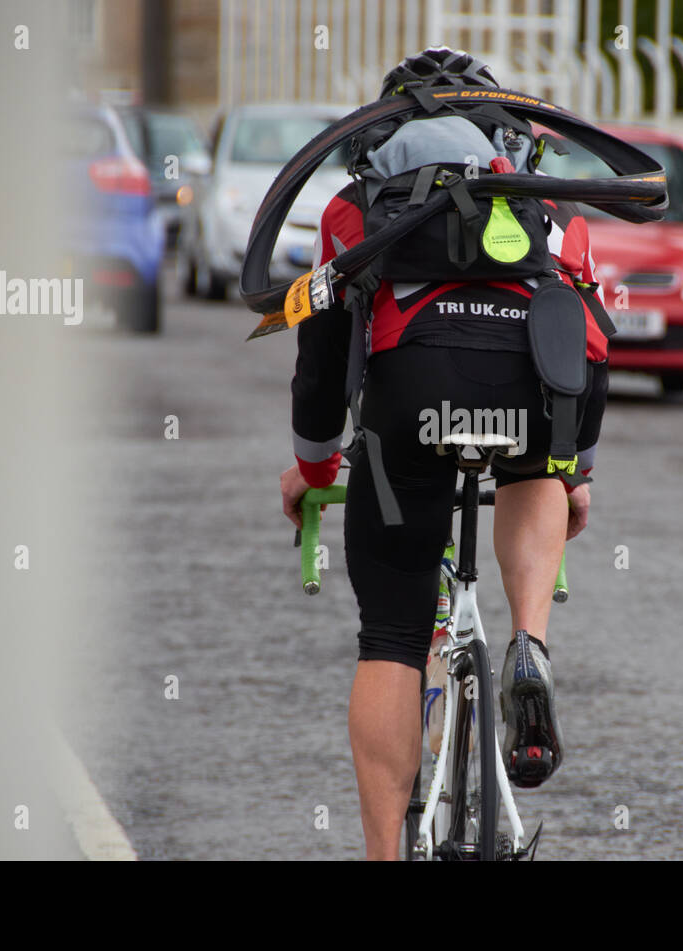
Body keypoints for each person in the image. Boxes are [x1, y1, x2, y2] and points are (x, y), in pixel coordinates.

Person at [277, 48, 611, 860]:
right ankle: (527, 644)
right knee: (536, 465)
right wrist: (576, 470)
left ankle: (385, 856)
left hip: (411, 393)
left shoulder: (356, 210)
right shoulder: (551, 209)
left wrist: (315, 467)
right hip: (535, 393)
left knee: (391, 634)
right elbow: (590, 340)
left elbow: (319, 364)